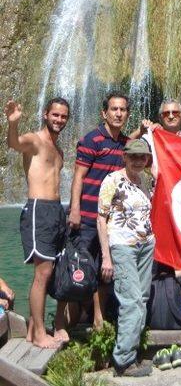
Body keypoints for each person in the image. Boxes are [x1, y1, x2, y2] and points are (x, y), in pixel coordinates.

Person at [70, 91, 140, 327]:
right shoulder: (92, 140)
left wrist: (142, 132)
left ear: (127, 114)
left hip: (111, 221)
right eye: (114, 109)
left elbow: (131, 149)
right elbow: (78, 176)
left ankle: (97, 318)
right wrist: (74, 209)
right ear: (104, 113)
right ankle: (74, 318)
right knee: (80, 268)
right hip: (88, 217)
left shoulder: (123, 144)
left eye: (122, 110)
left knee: (105, 271)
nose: (118, 113)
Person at [5, 97, 70, 347]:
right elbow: (14, 143)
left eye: (63, 116)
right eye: (55, 115)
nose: (59, 120)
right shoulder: (34, 140)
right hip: (38, 210)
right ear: (46, 114)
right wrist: (13, 124)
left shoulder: (59, 150)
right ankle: (41, 334)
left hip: (56, 210)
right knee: (42, 273)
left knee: (51, 271)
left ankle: (33, 329)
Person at [97, 139, 156, 377]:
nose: (138, 161)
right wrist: (106, 257)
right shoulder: (112, 180)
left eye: (143, 157)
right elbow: (101, 219)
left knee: (141, 298)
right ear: (125, 157)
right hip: (122, 246)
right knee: (130, 301)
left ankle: (133, 351)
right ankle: (123, 361)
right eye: (134, 157)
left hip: (146, 246)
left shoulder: (145, 180)